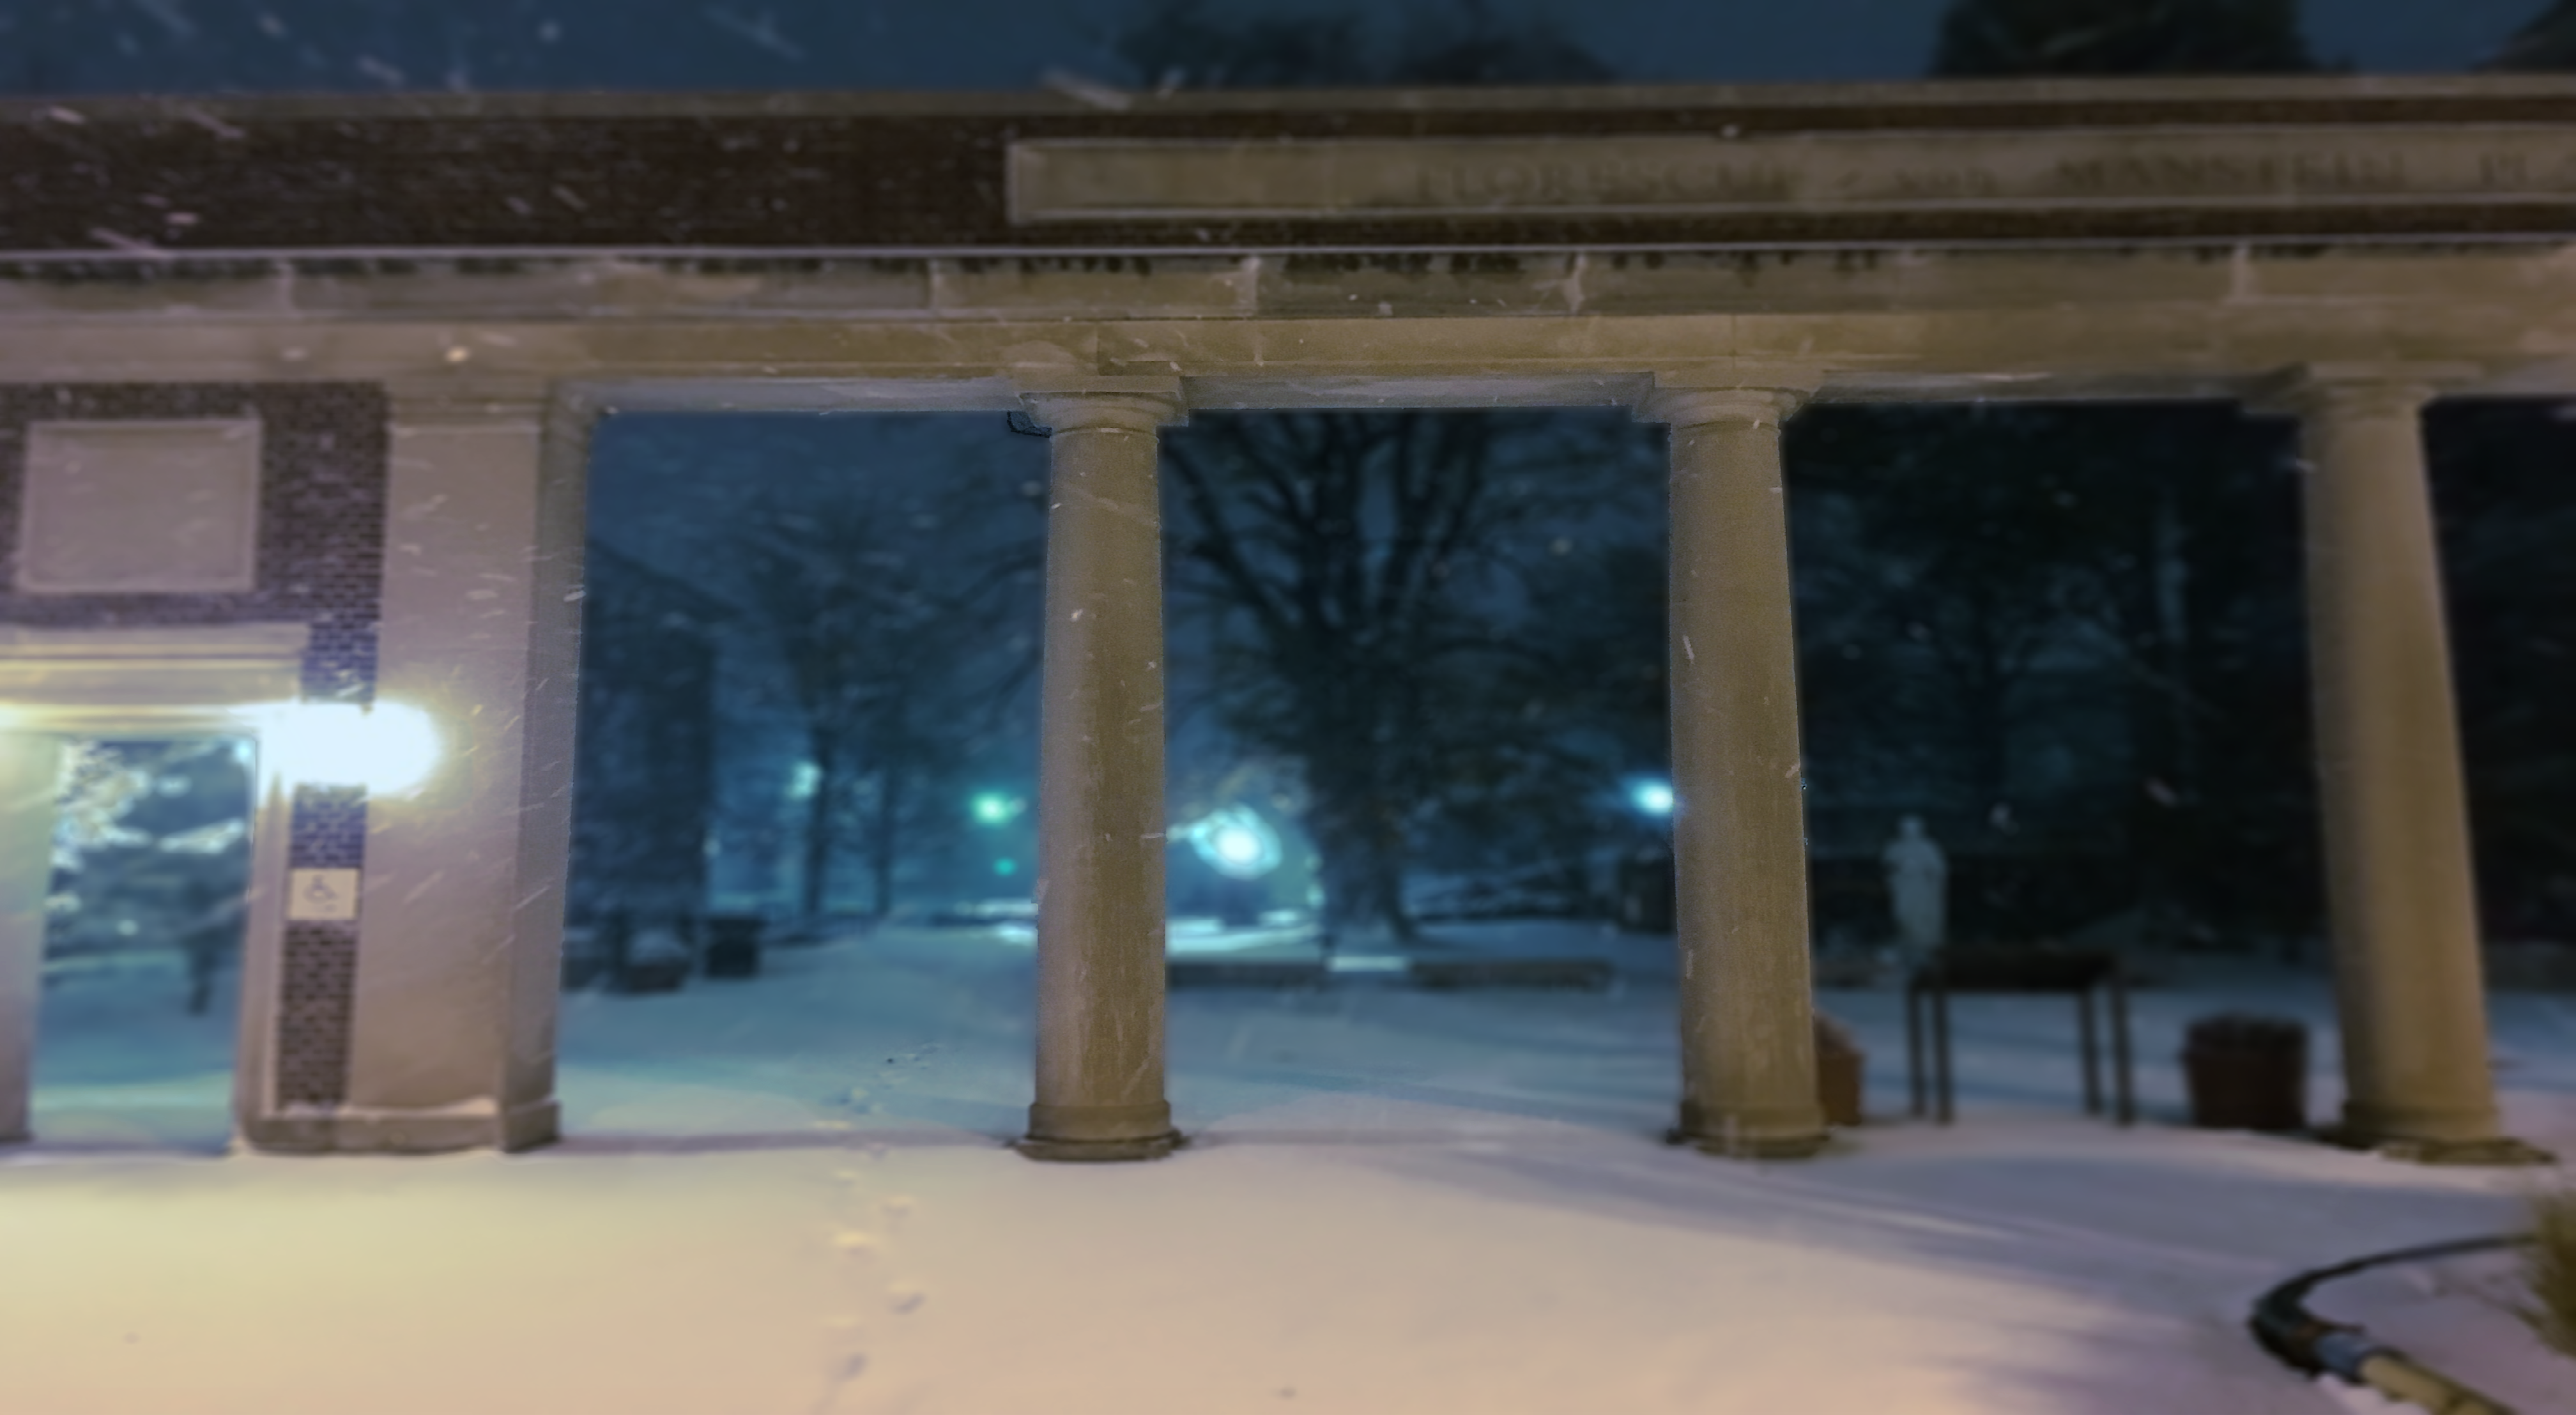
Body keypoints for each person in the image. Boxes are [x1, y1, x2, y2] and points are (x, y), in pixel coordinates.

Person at [1882, 815, 1949, 970]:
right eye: (1906, 829)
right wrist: (1900, 873)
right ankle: (1908, 954)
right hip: (1904, 891)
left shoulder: (1929, 847)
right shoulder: (1895, 847)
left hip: (1923, 893)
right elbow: (1888, 868)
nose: (1909, 832)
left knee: (1923, 922)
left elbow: (1939, 870)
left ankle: (1924, 956)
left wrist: (1923, 873)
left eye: (1912, 829)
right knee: (1904, 917)